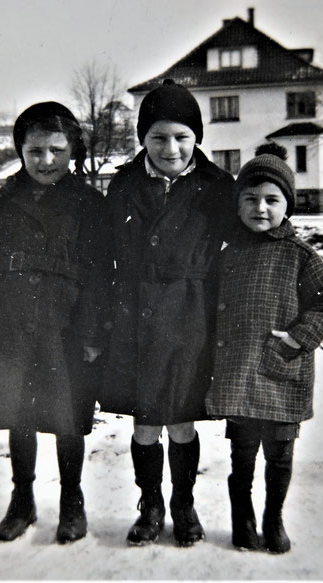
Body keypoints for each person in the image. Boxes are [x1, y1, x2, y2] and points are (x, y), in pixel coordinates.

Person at [0, 102, 107, 544]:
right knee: (18, 413)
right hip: (10, 321)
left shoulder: (89, 204)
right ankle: (21, 500)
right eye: (35, 150)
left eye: (56, 150)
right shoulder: (2, 202)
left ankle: (72, 502)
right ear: (20, 149)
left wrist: (95, 333)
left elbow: (100, 274)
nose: (45, 161)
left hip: (67, 325)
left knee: (67, 415)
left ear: (72, 150)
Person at [99, 80, 235, 546]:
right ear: (143, 140)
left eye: (181, 136)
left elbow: (250, 238)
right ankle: (151, 503)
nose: (170, 148)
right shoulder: (123, 184)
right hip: (135, 313)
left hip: (190, 315)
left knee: (181, 419)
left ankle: (184, 502)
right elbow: (105, 256)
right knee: (144, 422)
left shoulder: (218, 186)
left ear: (197, 137)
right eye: (158, 137)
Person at [205, 146, 323, 553]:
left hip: (282, 372)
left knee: (279, 458)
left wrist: (300, 337)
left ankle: (273, 518)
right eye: (250, 198)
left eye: (271, 200)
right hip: (240, 374)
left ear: (287, 206)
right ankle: (243, 520)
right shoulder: (227, 253)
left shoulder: (299, 255)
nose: (259, 208)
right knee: (242, 458)